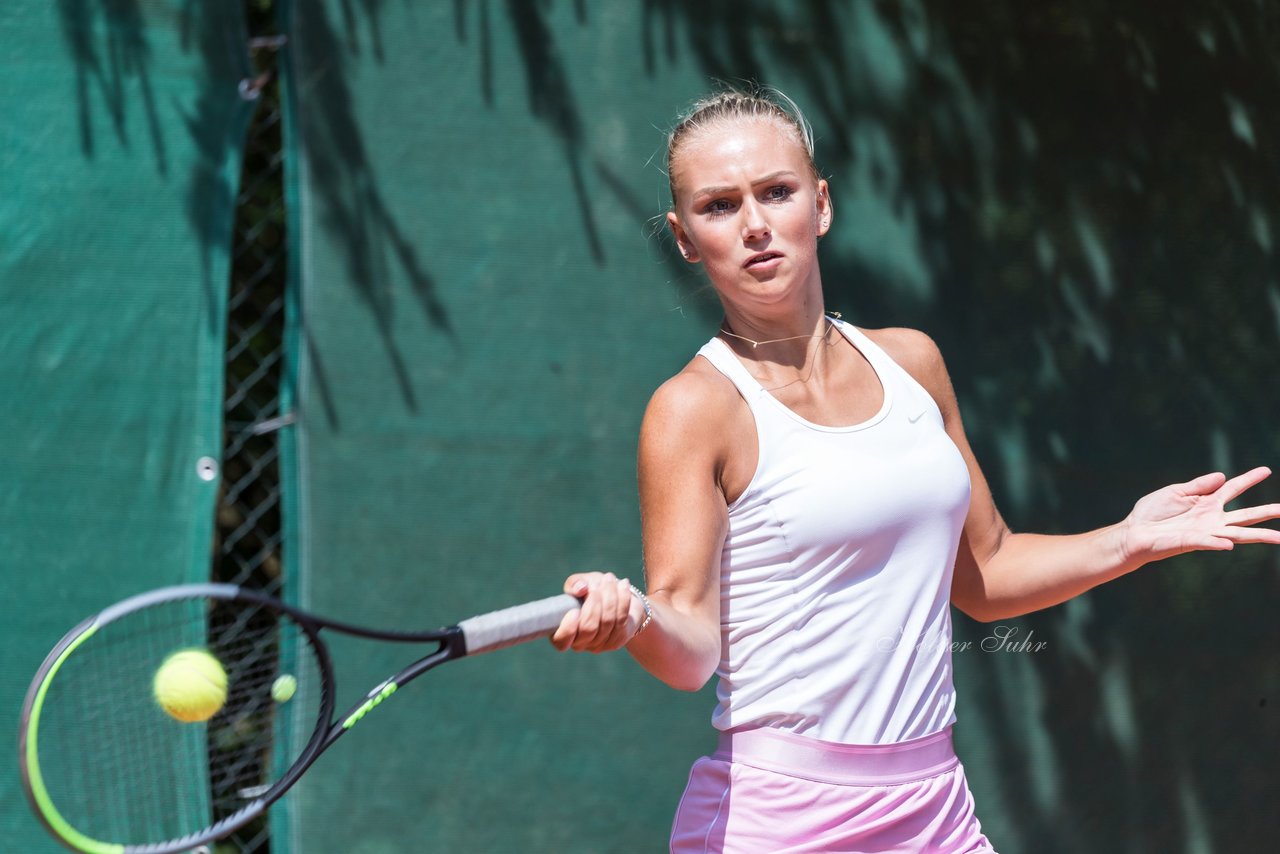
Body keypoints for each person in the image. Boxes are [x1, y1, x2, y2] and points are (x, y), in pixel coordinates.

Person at [550, 87, 1279, 853]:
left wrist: (1128, 539)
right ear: (686, 239)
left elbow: (986, 574)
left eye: (776, 192)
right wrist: (633, 618)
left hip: (936, 815)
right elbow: (692, 644)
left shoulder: (913, 362)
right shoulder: (692, 409)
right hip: (775, 824)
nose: (756, 225)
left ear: (821, 204)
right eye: (720, 206)